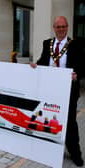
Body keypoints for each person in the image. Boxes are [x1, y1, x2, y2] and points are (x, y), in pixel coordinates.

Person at [30, 16, 84, 167]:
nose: (61, 29)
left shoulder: (75, 44)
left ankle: (75, 153)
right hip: (50, 90)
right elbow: (43, 61)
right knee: (49, 119)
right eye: (58, 27)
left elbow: (81, 64)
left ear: (67, 27)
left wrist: (77, 74)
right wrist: (36, 65)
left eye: (63, 26)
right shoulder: (47, 43)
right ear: (54, 28)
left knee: (70, 123)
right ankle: (50, 150)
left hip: (69, 90)